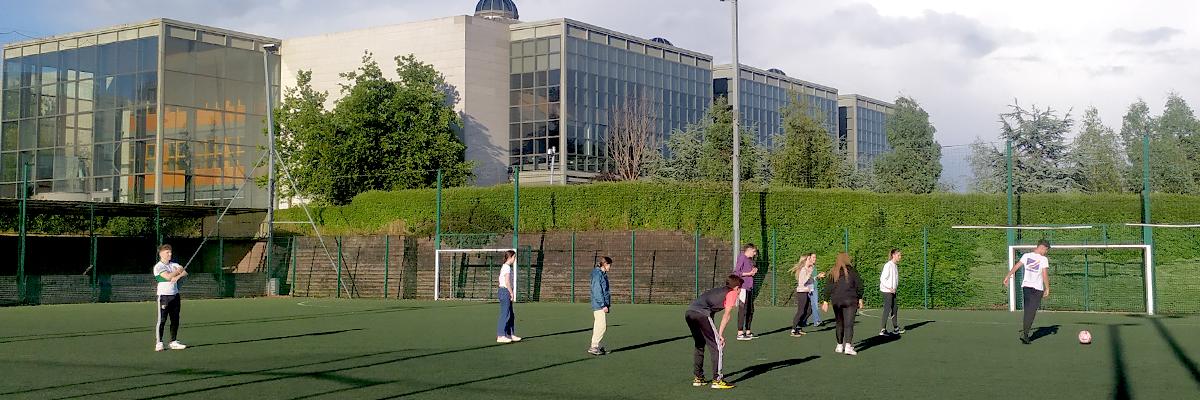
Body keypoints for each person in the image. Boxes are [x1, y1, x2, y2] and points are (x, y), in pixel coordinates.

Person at [686, 275, 743, 390]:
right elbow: (726, 315)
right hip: (701, 314)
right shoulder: (732, 293)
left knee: (699, 344)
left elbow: (710, 313)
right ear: (736, 288)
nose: (740, 291)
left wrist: (716, 334)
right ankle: (717, 380)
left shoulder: (717, 291)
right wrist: (720, 335)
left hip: (689, 313)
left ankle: (698, 378)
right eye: (740, 288)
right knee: (717, 346)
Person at [1003, 239, 1052, 344]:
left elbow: (1017, 266)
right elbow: (1044, 274)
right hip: (1037, 289)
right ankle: (1025, 334)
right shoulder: (1043, 259)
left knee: (1028, 311)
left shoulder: (1026, 255)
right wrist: (1047, 288)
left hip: (1026, 287)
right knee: (1031, 311)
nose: (1046, 252)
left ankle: (1025, 333)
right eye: (1046, 250)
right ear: (1042, 247)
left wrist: (1008, 275)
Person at [821, 252, 864, 356]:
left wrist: (825, 301)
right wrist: (860, 298)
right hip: (850, 299)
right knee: (849, 324)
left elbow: (828, 287)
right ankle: (848, 346)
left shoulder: (833, 271)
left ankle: (839, 345)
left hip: (837, 300)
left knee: (839, 322)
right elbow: (859, 285)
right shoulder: (852, 271)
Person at [153, 244, 188, 352]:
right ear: (161, 254)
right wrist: (178, 271)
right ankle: (159, 342)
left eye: (170, 252)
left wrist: (178, 276)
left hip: (175, 295)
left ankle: (173, 341)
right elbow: (168, 276)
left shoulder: (174, 264)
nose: (170, 254)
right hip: (164, 296)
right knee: (162, 320)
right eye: (167, 252)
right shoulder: (159, 266)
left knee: (175, 319)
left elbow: (185, 273)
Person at [732, 244, 759, 341]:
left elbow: (751, 270)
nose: (755, 253)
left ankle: (748, 331)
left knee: (750, 310)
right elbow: (736, 272)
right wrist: (748, 274)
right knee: (743, 309)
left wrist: (754, 270)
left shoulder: (750, 260)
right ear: (749, 250)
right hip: (743, 287)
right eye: (754, 251)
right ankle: (740, 333)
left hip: (750, 287)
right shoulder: (742, 257)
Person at [588, 256, 613, 355]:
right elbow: (597, 291)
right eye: (609, 265)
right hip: (599, 304)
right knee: (601, 326)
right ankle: (594, 347)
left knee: (599, 325)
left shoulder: (602, 274)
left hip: (600, 304)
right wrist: (603, 305)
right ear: (605, 264)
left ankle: (596, 346)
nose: (610, 267)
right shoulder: (597, 274)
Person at [496, 250, 521, 343]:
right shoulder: (506, 267)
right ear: (510, 257)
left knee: (511, 315)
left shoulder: (506, 267)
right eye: (514, 257)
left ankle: (510, 334)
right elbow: (507, 282)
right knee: (505, 314)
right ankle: (500, 335)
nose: (515, 259)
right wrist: (511, 292)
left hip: (504, 291)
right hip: (505, 291)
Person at [790, 253, 817, 337]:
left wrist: (816, 277)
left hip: (807, 292)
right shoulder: (803, 270)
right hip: (802, 292)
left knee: (809, 310)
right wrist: (809, 273)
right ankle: (793, 329)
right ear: (805, 261)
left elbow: (810, 281)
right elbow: (803, 282)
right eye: (809, 259)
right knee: (801, 311)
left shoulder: (808, 269)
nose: (811, 260)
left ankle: (799, 326)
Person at [879, 249, 904, 336]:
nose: (900, 257)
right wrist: (889, 288)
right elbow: (882, 279)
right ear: (893, 255)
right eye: (899, 255)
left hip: (892, 291)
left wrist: (894, 288)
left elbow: (895, 279)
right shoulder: (888, 265)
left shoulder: (895, 266)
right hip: (887, 291)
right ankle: (883, 329)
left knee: (895, 308)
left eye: (900, 255)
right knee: (887, 308)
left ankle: (896, 328)